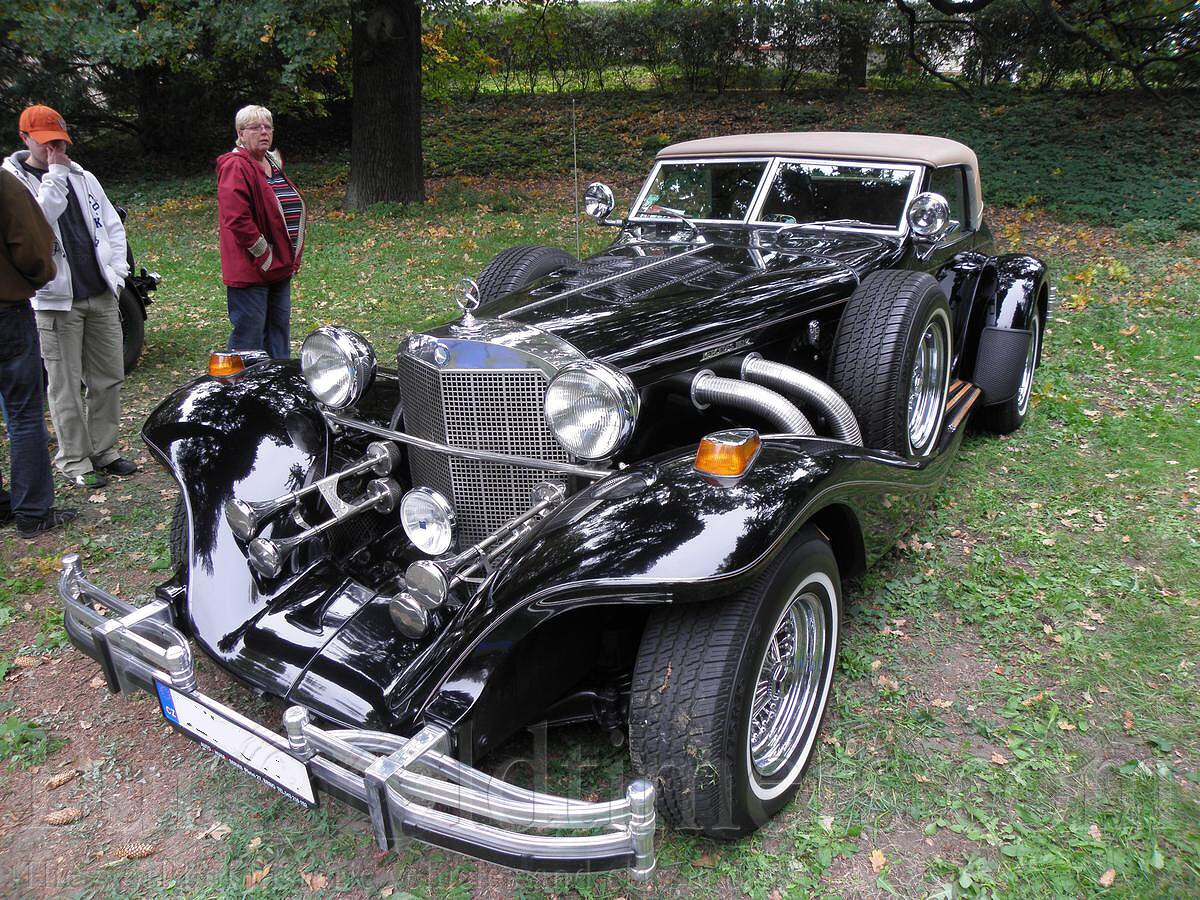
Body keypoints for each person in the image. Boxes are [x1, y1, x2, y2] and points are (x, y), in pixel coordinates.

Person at [3, 104, 138, 491]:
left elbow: (111, 225)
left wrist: (116, 274)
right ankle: (75, 459)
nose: (54, 150)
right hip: (55, 301)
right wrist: (55, 175)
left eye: (60, 142)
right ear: (25, 139)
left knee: (108, 377)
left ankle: (103, 450)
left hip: (99, 293)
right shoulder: (14, 182)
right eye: (46, 143)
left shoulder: (83, 176)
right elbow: (38, 224)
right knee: (64, 385)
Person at [0, 167, 79, 536]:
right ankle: (32, 511)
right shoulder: (5, 184)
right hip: (5, 312)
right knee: (24, 416)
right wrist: (37, 276)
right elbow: (32, 246)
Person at [216, 105, 306, 359]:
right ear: (241, 133)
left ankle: (278, 381)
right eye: (256, 127)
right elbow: (237, 219)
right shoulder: (235, 165)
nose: (264, 132)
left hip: (279, 267)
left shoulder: (271, 163)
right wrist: (265, 254)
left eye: (268, 127)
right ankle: (242, 383)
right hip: (252, 268)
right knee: (249, 339)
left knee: (278, 333)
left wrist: (283, 258)